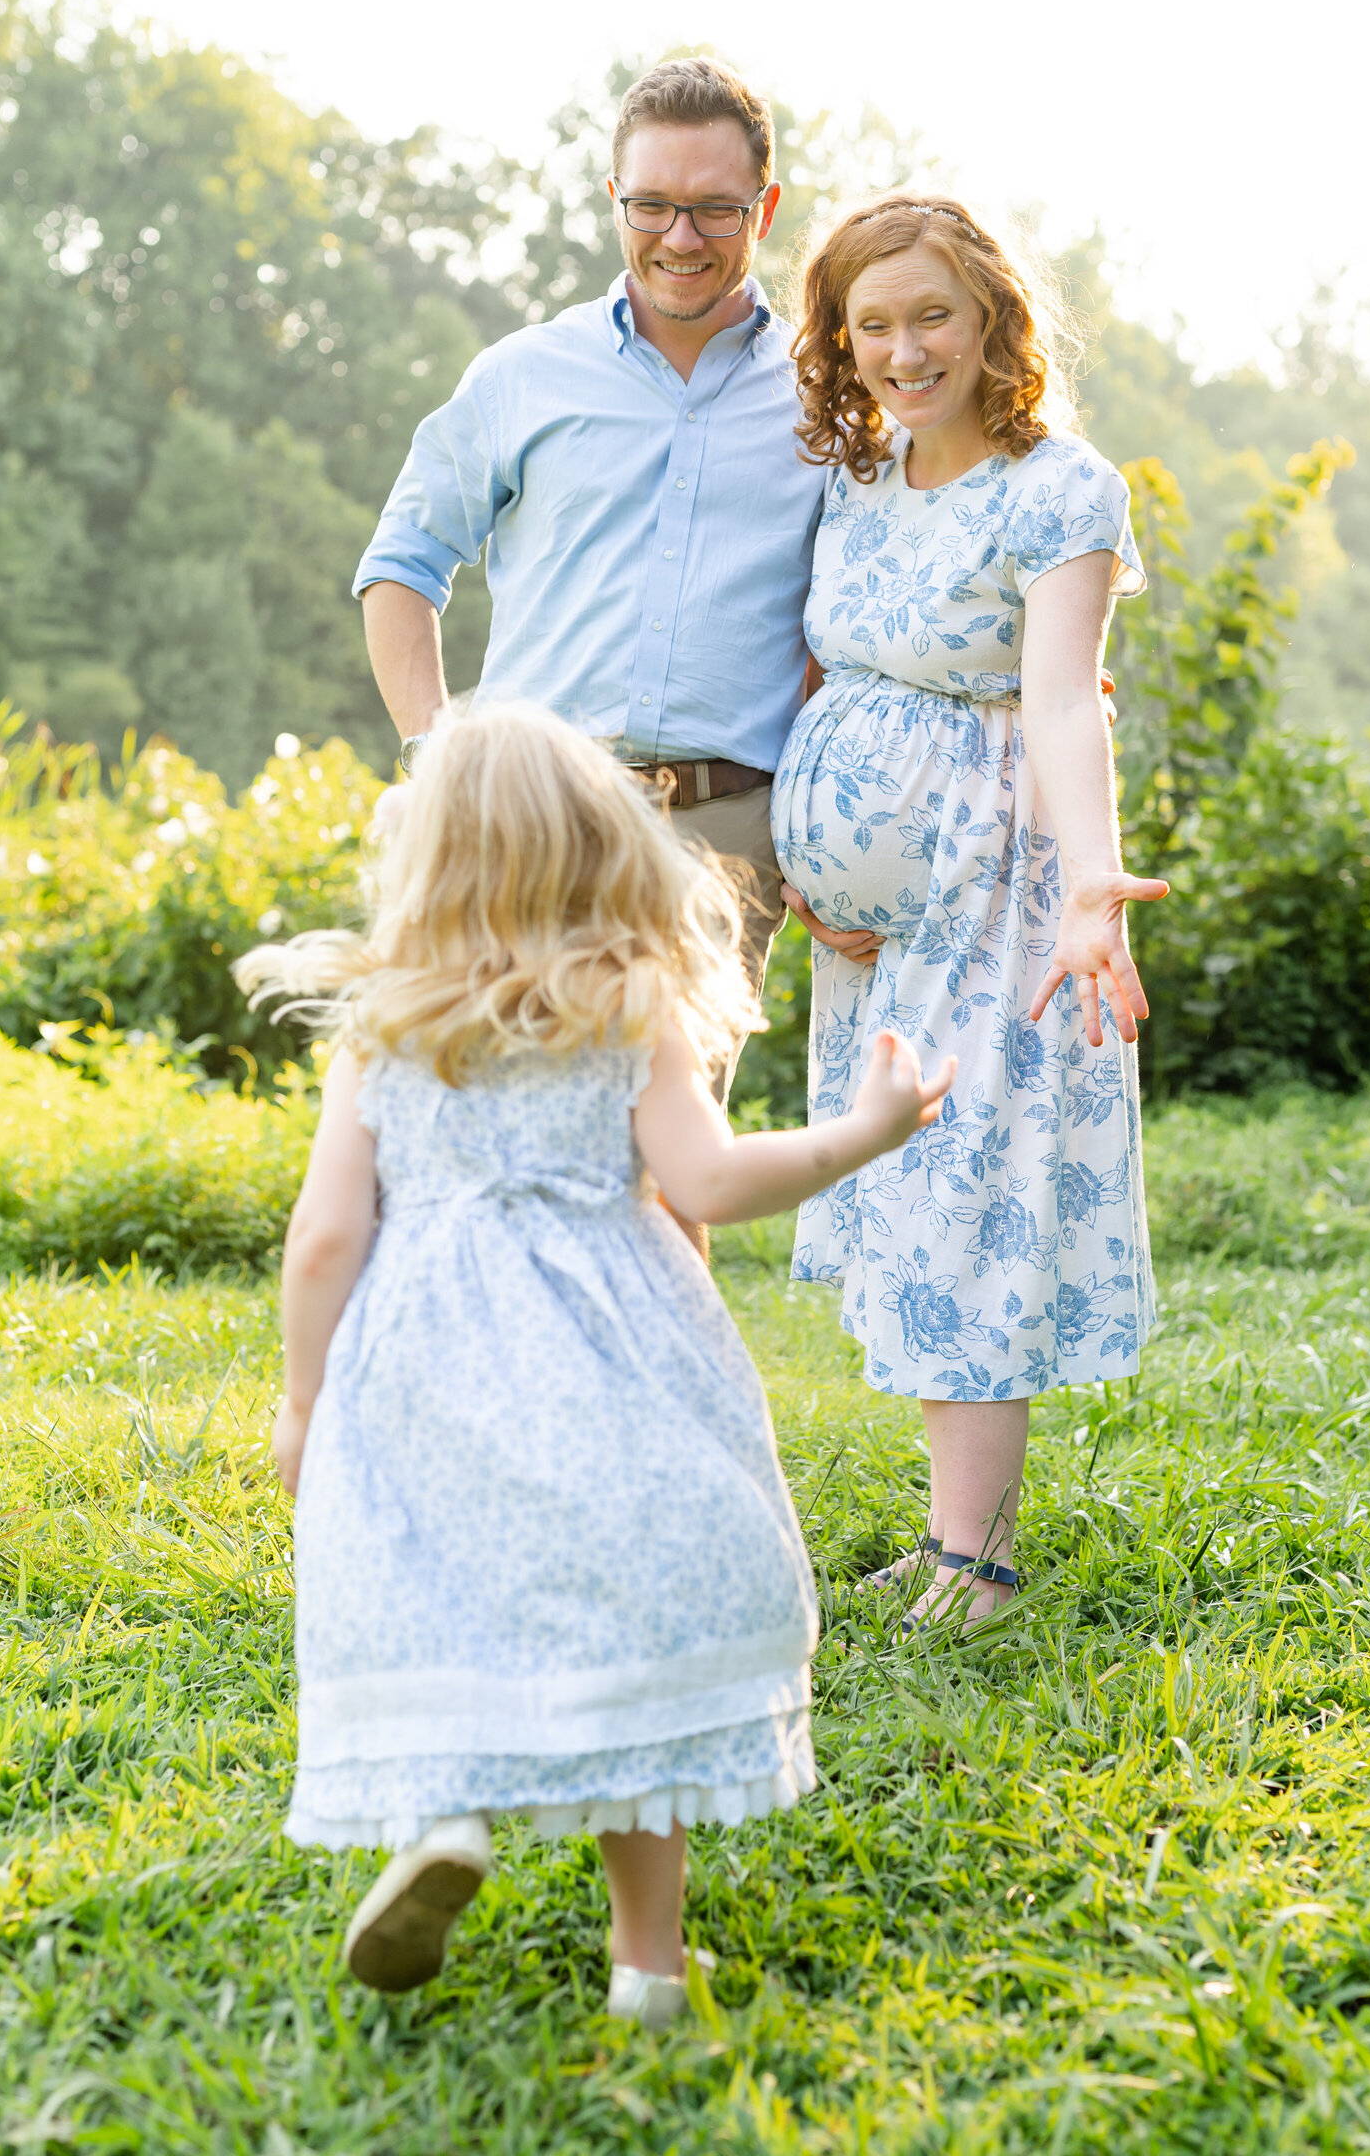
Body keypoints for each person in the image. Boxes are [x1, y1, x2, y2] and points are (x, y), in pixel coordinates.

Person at [237, 702, 952, 2023]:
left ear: (428, 861)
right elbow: (713, 1181)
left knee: (447, 1585)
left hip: (424, 1360)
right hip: (611, 1352)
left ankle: (447, 1818)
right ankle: (649, 1972)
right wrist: (865, 1132)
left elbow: (329, 1234)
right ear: (602, 847)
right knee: (628, 1648)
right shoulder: (629, 1007)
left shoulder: (386, 1030)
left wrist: (303, 1398)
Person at [351, 58, 881, 1139]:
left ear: (763, 209)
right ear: (613, 201)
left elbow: (865, 627)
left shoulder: (831, 397)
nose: (680, 237)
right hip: (526, 823)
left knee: (669, 1157)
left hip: (728, 833)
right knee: (498, 1131)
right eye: (652, 205)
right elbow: (402, 563)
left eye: (714, 209)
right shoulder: (521, 375)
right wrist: (437, 756)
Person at [771, 196, 1168, 1630]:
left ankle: (980, 1566)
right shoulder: (857, 480)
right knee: (903, 1197)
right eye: (870, 324)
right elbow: (826, 674)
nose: (900, 348)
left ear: (993, 316)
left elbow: (1065, 700)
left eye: (929, 314)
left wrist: (1087, 895)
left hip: (996, 892)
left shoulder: (1063, 490)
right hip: (878, 929)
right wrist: (816, 873)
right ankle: (950, 1540)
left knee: (968, 1197)